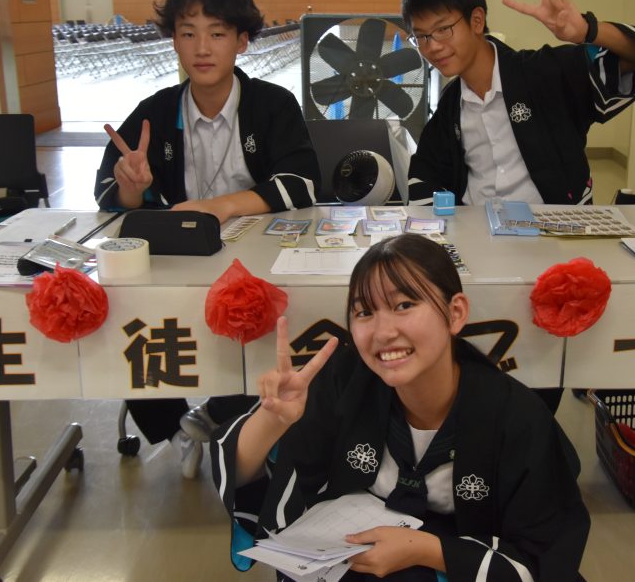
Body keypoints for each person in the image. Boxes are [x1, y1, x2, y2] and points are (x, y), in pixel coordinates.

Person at [211, 234, 591, 580]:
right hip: (357, 560)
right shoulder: (344, 379)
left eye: (404, 304)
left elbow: (544, 558)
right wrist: (272, 420)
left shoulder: (515, 418)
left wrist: (428, 551)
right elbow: (247, 479)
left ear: (455, 313)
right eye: (364, 312)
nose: (382, 332)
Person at [94, 0, 322, 479]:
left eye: (217, 34)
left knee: (272, 321)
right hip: (180, 258)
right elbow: (111, 198)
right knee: (129, 317)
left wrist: (220, 207)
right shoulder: (155, 110)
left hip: (260, 258)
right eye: (187, 33)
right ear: (173, 40)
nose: (201, 48)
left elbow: (302, 183)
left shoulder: (272, 104)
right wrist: (132, 185)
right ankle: (178, 426)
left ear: (242, 42)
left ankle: (222, 413)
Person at [403, 0, 635, 208]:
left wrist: (588, 31)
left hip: (556, 237)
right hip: (478, 237)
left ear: (477, 20)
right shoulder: (450, 107)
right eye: (422, 37)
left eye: (442, 30)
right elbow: (423, 178)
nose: (433, 46)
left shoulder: (545, 74)